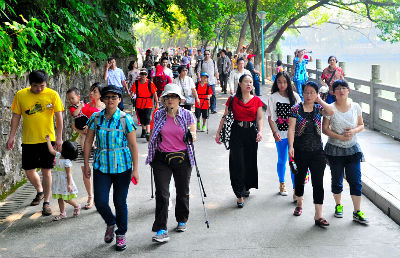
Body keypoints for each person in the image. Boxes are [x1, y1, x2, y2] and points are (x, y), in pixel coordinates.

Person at [83, 85, 139, 251]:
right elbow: (88, 141)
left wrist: (135, 169)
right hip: (101, 165)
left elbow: (133, 145)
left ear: (119, 100)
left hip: (122, 167)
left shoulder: (125, 119)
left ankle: (121, 234)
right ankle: (110, 222)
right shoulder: (95, 118)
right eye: (107, 97)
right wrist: (86, 164)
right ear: (102, 99)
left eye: (114, 97)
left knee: (119, 202)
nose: (110, 100)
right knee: (100, 202)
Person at [6, 70, 64, 216]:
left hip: (47, 140)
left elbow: (59, 117)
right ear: (30, 84)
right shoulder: (21, 95)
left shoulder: (52, 95)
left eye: (42, 86)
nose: (39, 89)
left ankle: (47, 203)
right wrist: (11, 136)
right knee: (29, 170)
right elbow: (16, 116)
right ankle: (40, 191)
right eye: (36, 86)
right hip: (28, 140)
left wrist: (59, 138)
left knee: (46, 171)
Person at [145, 83, 197, 243]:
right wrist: (151, 149)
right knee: (162, 193)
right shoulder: (158, 114)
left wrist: (191, 136)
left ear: (179, 99)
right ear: (164, 100)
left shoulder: (187, 115)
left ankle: (182, 218)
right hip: (162, 158)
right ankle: (161, 229)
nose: (170, 100)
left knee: (182, 191)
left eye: (174, 96)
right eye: (168, 97)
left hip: (182, 157)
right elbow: (153, 134)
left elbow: (193, 134)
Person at [288, 81, 334, 227]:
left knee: (318, 183)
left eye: (312, 92)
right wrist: (290, 146)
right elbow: (291, 129)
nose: (308, 95)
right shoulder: (295, 109)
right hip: (300, 150)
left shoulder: (319, 108)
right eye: (306, 92)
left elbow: (331, 112)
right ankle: (299, 203)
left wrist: (319, 100)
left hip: (317, 152)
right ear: (302, 93)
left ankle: (318, 215)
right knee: (299, 179)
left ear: (316, 94)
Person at [322, 79, 368, 224]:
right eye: (338, 89)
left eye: (344, 88)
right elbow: (325, 129)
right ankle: (338, 205)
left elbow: (361, 125)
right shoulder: (330, 108)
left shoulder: (355, 107)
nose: (341, 91)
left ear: (348, 90)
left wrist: (354, 131)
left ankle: (357, 211)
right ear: (333, 92)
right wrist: (339, 137)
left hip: (353, 149)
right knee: (337, 180)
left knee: (355, 180)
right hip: (335, 149)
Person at [215, 74, 264, 208]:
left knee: (249, 161)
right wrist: (218, 132)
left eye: (251, 82)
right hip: (236, 132)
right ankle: (239, 194)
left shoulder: (257, 101)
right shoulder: (233, 100)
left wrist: (260, 131)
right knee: (237, 162)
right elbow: (225, 117)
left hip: (251, 133)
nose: (249, 84)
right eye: (246, 82)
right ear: (240, 84)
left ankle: (246, 185)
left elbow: (260, 118)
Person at [266, 71, 301, 198]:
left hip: (294, 135)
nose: (282, 84)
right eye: (279, 82)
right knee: (282, 159)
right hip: (280, 134)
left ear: (289, 83)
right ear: (276, 83)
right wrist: (274, 132)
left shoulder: (296, 97)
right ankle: (282, 183)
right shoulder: (273, 97)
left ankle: (295, 188)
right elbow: (270, 117)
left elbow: (300, 116)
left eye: (285, 82)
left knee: (293, 160)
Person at [66, 87, 99, 209]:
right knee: (85, 169)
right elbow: (75, 124)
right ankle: (90, 196)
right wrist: (82, 131)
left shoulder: (102, 108)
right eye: (91, 91)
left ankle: (99, 197)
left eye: (95, 91)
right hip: (82, 138)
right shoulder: (78, 107)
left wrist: (90, 130)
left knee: (99, 171)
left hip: (97, 140)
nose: (92, 93)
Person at [45, 135, 80, 221]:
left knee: (66, 198)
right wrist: (48, 140)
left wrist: (69, 185)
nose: (59, 146)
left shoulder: (67, 162)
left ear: (65, 151)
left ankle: (76, 205)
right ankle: (62, 213)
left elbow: (68, 174)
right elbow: (51, 150)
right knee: (59, 197)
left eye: (62, 146)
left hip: (64, 182)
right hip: (58, 181)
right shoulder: (58, 155)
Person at [130, 69, 159, 140]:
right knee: (141, 117)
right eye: (142, 74)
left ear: (147, 75)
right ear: (140, 75)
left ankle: (148, 132)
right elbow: (133, 91)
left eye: (145, 74)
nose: (143, 76)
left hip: (148, 102)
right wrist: (132, 94)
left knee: (147, 116)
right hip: (139, 102)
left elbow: (154, 93)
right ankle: (143, 130)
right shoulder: (136, 83)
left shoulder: (150, 83)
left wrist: (157, 103)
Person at [196, 49, 219, 114]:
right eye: (205, 54)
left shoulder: (213, 62)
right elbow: (198, 71)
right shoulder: (201, 62)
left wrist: (218, 79)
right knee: (204, 95)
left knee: (213, 95)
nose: (207, 55)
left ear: (210, 54)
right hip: (204, 82)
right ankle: (204, 107)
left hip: (212, 81)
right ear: (204, 55)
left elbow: (216, 71)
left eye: (208, 54)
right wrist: (199, 78)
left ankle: (213, 108)